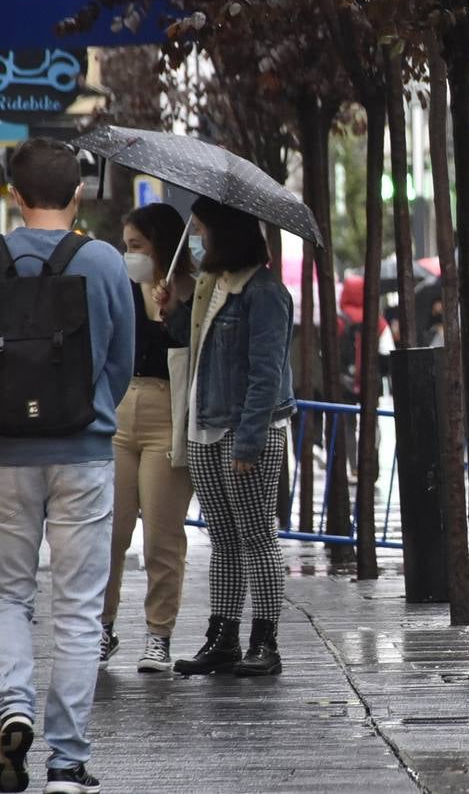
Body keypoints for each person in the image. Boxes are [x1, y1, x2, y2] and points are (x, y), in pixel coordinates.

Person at [0, 137, 133, 794]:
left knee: (5, 594)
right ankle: (68, 763)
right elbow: (123, 362)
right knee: (79, 609)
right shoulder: (105, 262)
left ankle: (11, 707)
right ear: (79, 192)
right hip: (84, 451)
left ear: (13, 195)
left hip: (4, 458)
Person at [155, 199, 294, 676]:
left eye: (202, 230)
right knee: (224, 538)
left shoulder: (265, 292)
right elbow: (197, 348)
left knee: (257, 536)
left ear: (225, 233)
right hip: (205, 425)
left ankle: (265, 640)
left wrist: (249, 441)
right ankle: (223, 635)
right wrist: (171, 311)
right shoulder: (211, 286)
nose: (198, 239)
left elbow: (266, 373)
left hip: (245, 429)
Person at [99, 204, 194, 675]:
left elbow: (195, 355)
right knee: (110, 531)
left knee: (161, 536)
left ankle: (159, 634)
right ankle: (103, 626)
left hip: (167, 414)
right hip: (120, 412)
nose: (129, 254)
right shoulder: (119, 288)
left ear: (160, 245)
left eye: (137, 245)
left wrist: (171, 312)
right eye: (126, 245)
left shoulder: (190, 292)